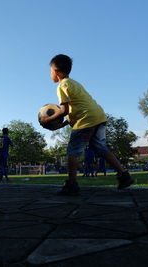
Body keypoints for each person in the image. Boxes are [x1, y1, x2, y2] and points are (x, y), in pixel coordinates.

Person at [40, 54, 134, 195]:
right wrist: (60, 125)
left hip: (87, 120)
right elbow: (74, 111)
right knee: (101, 148)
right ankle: (124, 175)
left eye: (50, 71)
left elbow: (64, 111)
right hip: (98, 116)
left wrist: (47, 120)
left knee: (72, 151)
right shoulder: (75, 84)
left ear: (56, 72)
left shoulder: (62, 86)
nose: (50, 74)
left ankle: (72, 185)